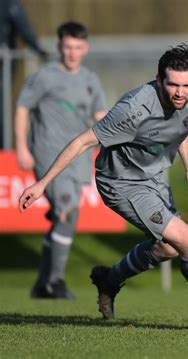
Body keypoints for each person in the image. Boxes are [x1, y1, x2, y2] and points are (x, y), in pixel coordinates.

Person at [18, 44, 188, 325]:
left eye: (186, 85)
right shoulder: (134, 109)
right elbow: (82, 142)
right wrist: (41, 184)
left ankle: (109, 280)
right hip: (122, 182)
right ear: (159, 79)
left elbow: (183, 127)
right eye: (172, 85)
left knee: (171, 248)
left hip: (154, 177)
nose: (180, 92)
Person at [15, 21, 108, 299]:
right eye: (67, 46)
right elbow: (22, 108)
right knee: (68, 211)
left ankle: (42, 284)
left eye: (77, 47)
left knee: (62, 217)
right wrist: (21, 146)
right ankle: (55, 282)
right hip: (47, 153)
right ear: (59, 47)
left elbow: (101, 118)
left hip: (79, 158)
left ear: (85, 48)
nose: (72, 53)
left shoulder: (91, 80)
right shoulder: (44, 77)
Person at [1, 0, 48, 149]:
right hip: (3, 63)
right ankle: (3, 147)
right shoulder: (9, 3)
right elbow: (23, 27)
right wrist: (40, 50)